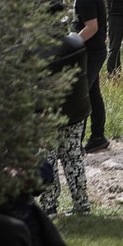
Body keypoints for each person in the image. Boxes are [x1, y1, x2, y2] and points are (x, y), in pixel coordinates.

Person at [55, 0, 110, 153]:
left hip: (92, 52)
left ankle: (75, 143)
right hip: (93, 50)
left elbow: (91, 27)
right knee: (92, 94)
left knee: (80, 96)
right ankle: (98, 137)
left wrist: (72, 46)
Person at [38, 30, 94, 214]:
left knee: (48, 160)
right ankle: (82, 204)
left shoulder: (37, 51)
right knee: (73, 157)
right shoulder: (76, 41)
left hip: (48, 116)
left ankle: (50, 206)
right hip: (76, 112)